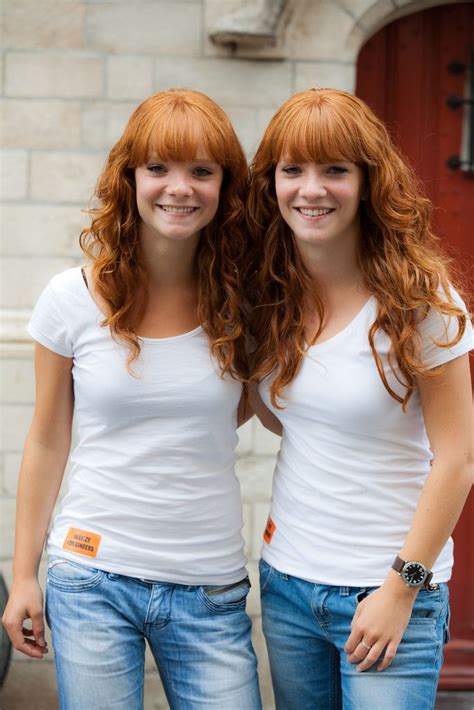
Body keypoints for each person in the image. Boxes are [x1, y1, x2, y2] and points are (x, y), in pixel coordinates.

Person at [2, 89, 262, 710]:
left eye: (202, 170)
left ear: (225, 186)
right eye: (158, 168)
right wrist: (23, 575)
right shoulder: (71, 297)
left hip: (210, 587)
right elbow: (46, 438)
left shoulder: (247, 302)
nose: (180, 187)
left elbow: (254, 405)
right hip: (90, 576)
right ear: (130, 178)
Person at [246, 88, 473, 709]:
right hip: (288, 582)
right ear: (271, 183)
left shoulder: (421, 299)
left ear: (369, 182)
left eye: (335, 170)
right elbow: (289, 419)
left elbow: (457, 459)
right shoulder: (273, 292)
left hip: (387, 590)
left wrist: (401, 590)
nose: (310, 189)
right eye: (292, 170)